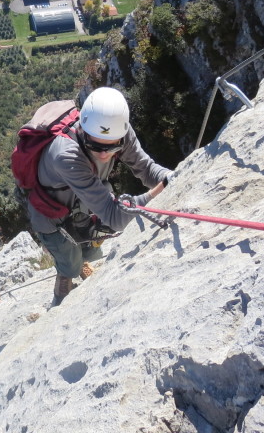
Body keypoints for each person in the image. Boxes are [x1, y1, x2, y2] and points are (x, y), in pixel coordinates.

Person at [27, 86, 174, 305]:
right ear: (83, 131)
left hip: (84, 203)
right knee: (70, 262)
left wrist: (176, 175)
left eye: (112, 147)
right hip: (52, 218)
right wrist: (156, 192)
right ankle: (61, 292)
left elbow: (146, 168)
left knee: (90, 249)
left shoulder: (120, 133)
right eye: (95, 146)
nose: (104, 154)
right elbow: (115, 218)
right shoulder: (66, 155)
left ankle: (82, 261)